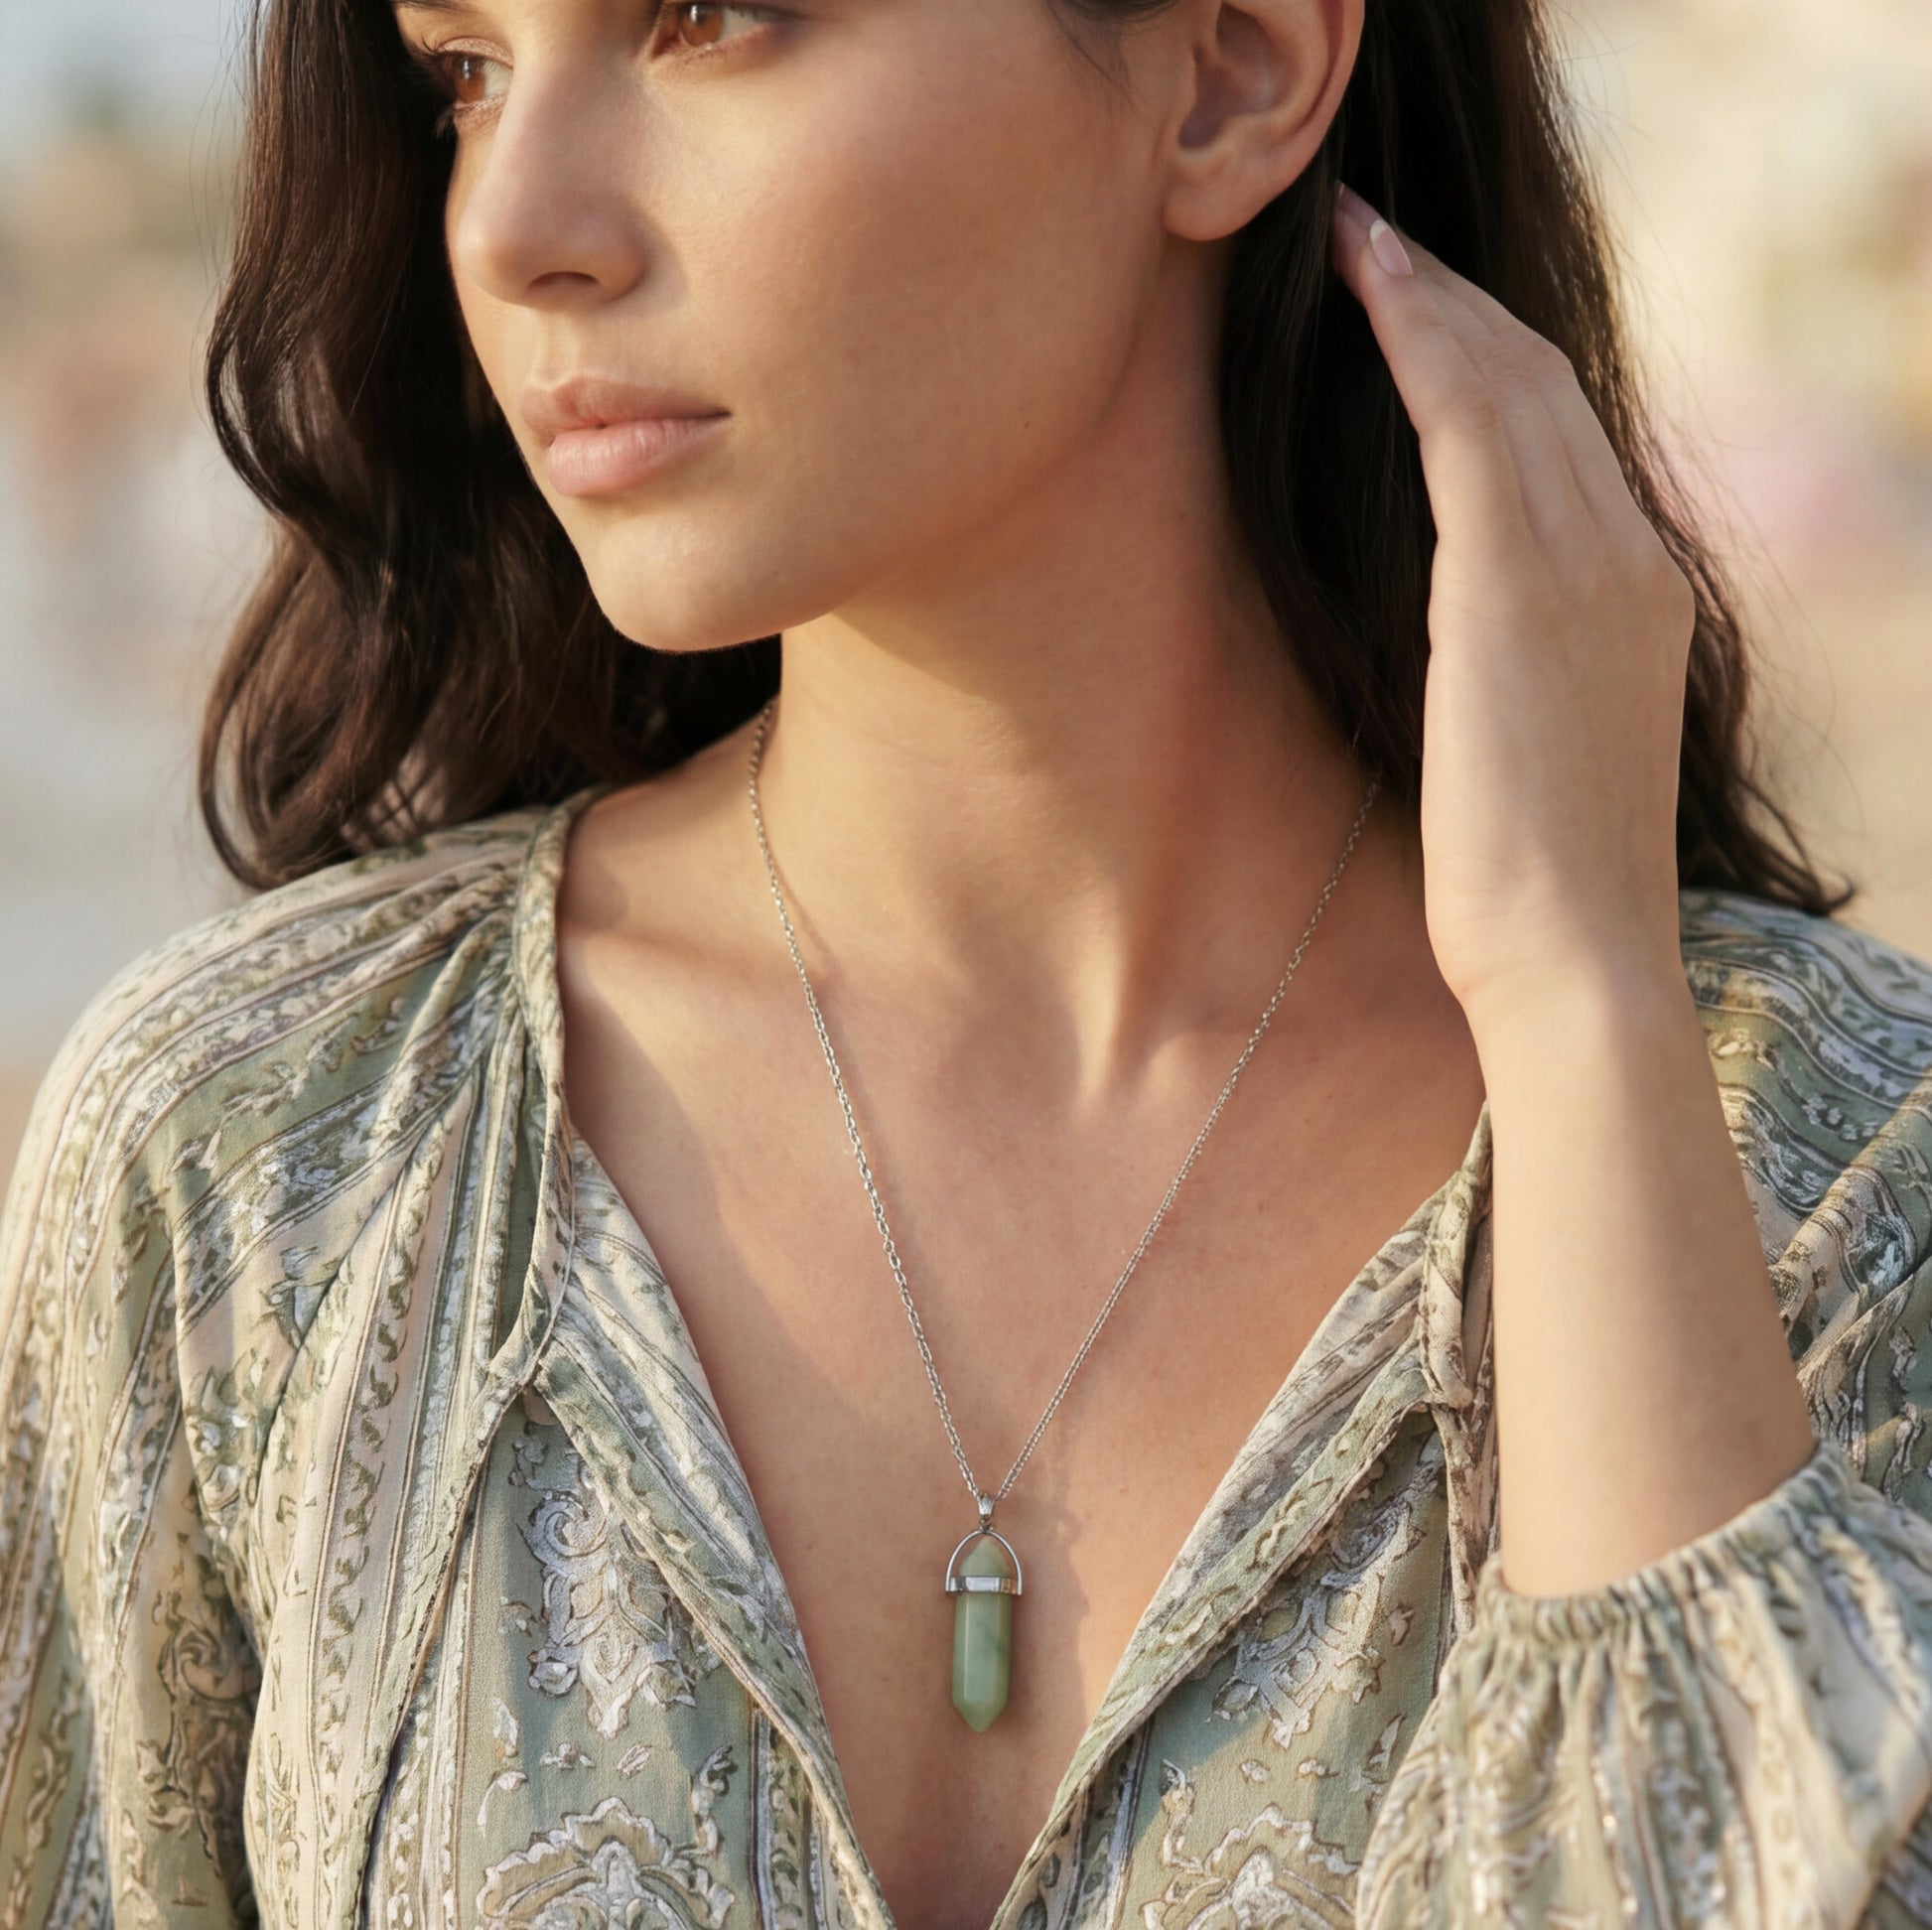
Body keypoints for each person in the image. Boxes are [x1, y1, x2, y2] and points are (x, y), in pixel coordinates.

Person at [4, 0, 1932, 1923]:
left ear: (1234, 66)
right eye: (464, 71)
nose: (514, 224)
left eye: (703, 21)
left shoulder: (1845, 1177)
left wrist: (1584, 1018)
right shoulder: (264, 1159)